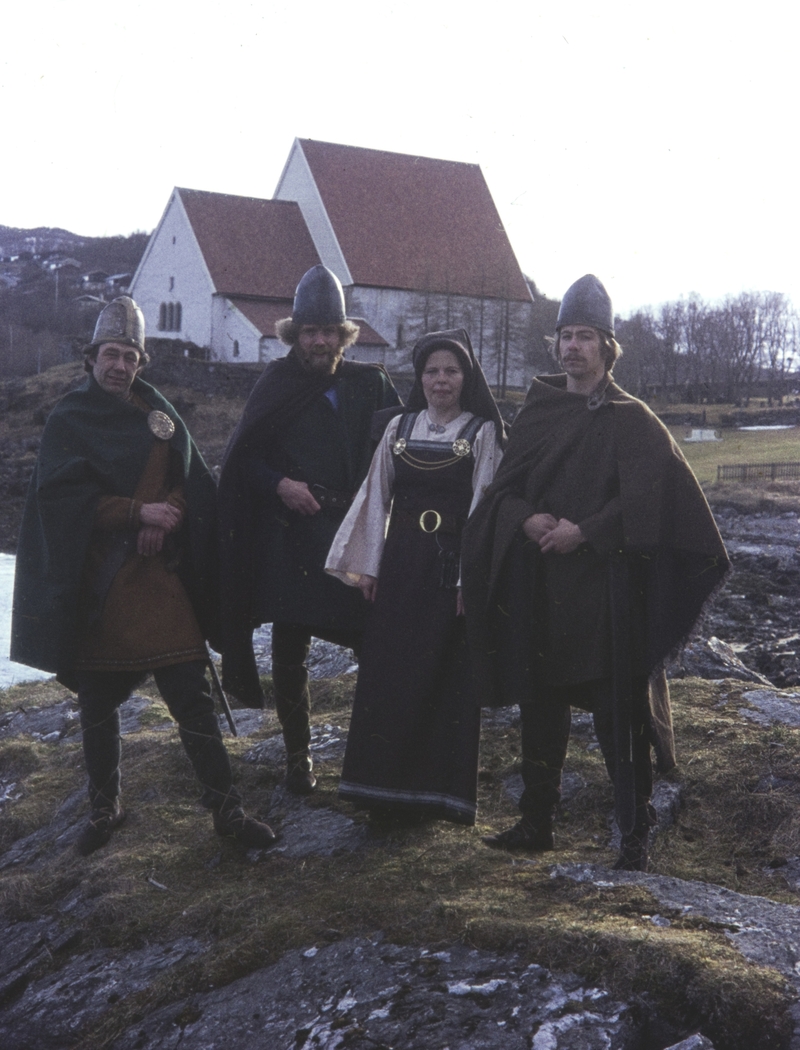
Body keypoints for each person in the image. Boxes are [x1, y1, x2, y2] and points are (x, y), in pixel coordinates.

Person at [461, 276, 729, 869]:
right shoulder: (541, 409)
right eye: (566, 336)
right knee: (540, 700)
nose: (573, 347)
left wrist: (586, 531)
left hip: (604, 591)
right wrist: (528, 520)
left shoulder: (633, 420)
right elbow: (503, 492)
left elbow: (651, 499)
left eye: (585, 336)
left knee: (616, 709)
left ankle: (635, 829)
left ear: (607, 347)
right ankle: (536, 822)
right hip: (541, 586)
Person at [10, 297, 275, 856]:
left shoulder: (157, 412)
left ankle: (228, 813)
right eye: (112, 354)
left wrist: (169, 512)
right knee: (98, 705)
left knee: (192, 699)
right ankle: (105, 810)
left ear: (140, 361)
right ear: (92, 358)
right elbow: (61, 500)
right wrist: (137, 514)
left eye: (130, 355)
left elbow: (188, 479)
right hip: (102, 588)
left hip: (159, 583)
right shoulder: (69, 417)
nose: (120, 365)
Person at [218, 266, 399, 795]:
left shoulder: (371, 382)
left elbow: (402, 447)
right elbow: (242, 461)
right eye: (309, 332)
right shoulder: (275, 385)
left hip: (354, 533)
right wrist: (279, 484)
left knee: (373, 641)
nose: (319, 342)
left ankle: (371, 759)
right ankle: (300, 762)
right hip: (293, 536)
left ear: (344, 334)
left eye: (328, 332)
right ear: (295, 336)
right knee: (290, 647)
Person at [326, 329, 504, 825]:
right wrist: (367, 565)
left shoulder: (482, 434)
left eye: (451, 371)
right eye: (432, 371)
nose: (441, 380)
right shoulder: (398, 428)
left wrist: (473, 579)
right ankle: (378, 791)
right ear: (420, 378)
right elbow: (375, 497)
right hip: (401, 566)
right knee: (391, 673)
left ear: (464, 378)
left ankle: (432, 796)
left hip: (449, 571)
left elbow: (483, 507)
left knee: (441, 674)